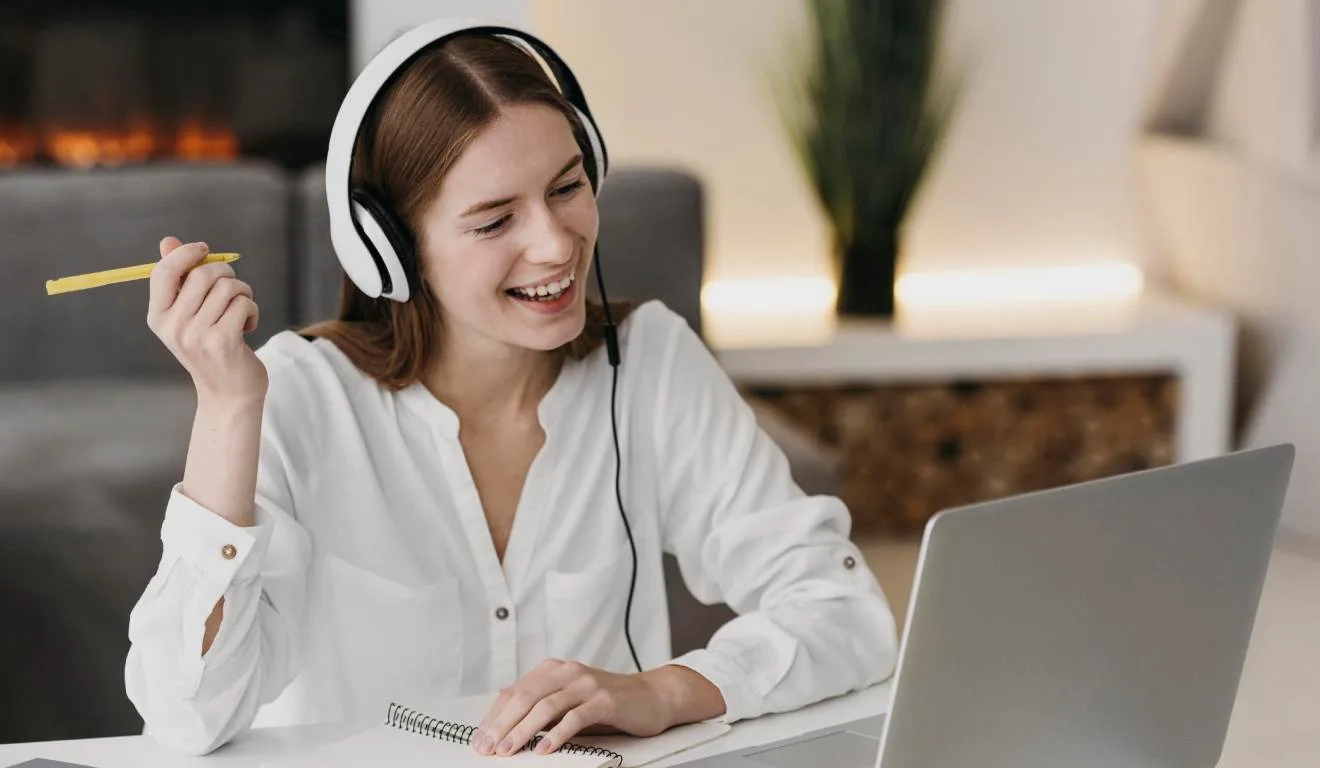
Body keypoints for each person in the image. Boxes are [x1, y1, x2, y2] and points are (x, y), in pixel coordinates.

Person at [123, 21, 898, 758]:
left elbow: (846, 612)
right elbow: (187, 713)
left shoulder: (651, 362)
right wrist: (227, 409)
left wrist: (667, 691)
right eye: (495, 221)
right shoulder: (303, 397)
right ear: (389, 250)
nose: (556, 243)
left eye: (567, 187)